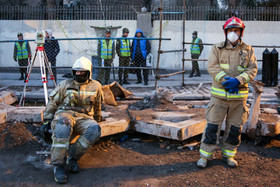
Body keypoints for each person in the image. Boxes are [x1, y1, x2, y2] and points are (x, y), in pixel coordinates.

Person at [197, 16, 257, 168]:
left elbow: (252, 69)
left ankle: (229, 155)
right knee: (212, 127)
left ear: (241, 32)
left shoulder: (248, 50)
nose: (233, 33)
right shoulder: (217, 48)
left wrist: (238, 80)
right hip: (219, 97)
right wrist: (226, 80)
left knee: (234, 129)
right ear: (226, 32)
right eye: (230, 30)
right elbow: (212, 66)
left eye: (236, 30)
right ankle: (205, 156)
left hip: (239, 99)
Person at [40, 57, 103, 184]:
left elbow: (97, 105)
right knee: (63, 127)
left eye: (82, 72)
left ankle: (72, 158)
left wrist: (97, 119)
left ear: (88, 72)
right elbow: (53, 102)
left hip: (85, 117)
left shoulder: (96, 86)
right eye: (77, 71)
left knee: (94, 130)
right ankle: (58, 166)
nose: (79, 74)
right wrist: (47, 120)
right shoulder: (65, 84)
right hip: (65, 114)